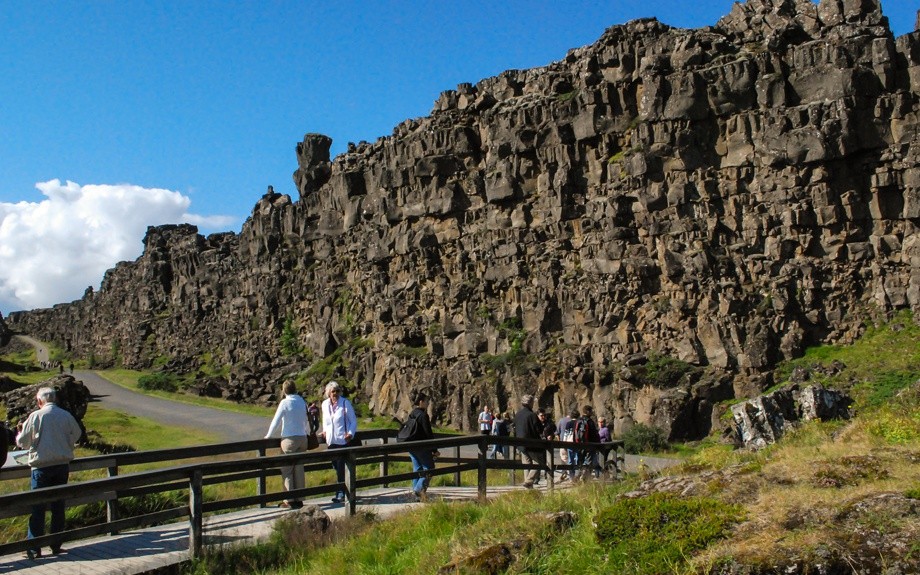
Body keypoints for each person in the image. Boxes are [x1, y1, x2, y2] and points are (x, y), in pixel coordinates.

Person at [16, 387, 82, 560]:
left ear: (39, 401)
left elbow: (22, 442)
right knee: (58, 506)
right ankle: (56, 544)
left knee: (38, 507)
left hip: (41, 467)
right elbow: (77, 434)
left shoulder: (36, 416)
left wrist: (19, 432)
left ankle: (34, 548)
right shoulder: (65, 415)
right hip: (61, 465)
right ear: (55, 399)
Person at [264, 380, 310, 509]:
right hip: (302, 438)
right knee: (299, 469)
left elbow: (276, 421)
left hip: (289, 439)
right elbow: (306, 420)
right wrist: (306, 432)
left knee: (287, 469)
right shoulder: (301, 401)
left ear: (284, 391)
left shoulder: (285, 403)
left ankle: (289, 500)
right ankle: (300, 498)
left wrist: (268, 435)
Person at [318, 381, 357, 503]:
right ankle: (347, 488)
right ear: (328, 393)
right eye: (333, 391)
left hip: (342, 440)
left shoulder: (345, 403)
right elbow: (325, 420)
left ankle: (340, 493)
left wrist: (350, 433)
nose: (335, 394)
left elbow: (353, 421)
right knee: (335, 466)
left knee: (340, 467)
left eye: (337, 391)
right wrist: (324, 431)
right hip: (331, 440)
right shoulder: (324, 404)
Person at [399, 392, 436, 501]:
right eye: (426, 401)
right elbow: (428, 433)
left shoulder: (413, 413)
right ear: (421, 402)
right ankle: (419, 491)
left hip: (412, 446)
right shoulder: (423, 415)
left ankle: (416, 494)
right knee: (429, 468)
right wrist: (434, 449)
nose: (428, 403)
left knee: (417, 469)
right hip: (422, 446)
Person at [513, 394, 544, 489]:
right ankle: (528, 481)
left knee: (526, 464)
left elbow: (514, 428)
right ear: (530, 403)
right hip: (532, 443)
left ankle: (527, 485)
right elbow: (539, 429)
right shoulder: (532, 415)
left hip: (520, 443)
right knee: (539, 463)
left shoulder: (518, 414)